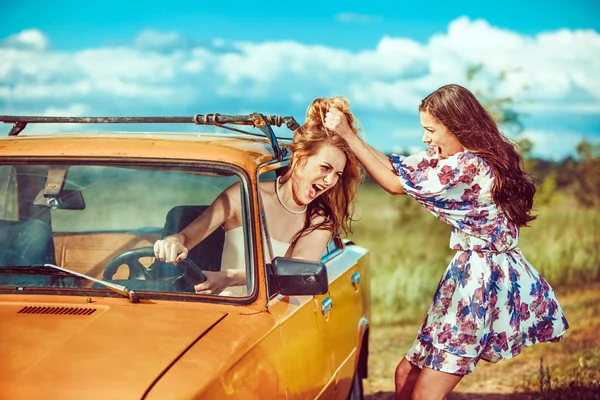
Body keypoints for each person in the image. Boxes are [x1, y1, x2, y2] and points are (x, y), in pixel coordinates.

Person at [324, 84, 569, 399]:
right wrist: (351, 136)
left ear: (456, 127)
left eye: (430, 130)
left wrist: (346, 135)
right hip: (465, 274)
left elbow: (393, 184)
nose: (425, 138)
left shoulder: (469, 166)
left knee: (426, 394)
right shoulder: (455, 157)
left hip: (478, 285)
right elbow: (397, 167)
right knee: (405, 375)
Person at [154, 96, 363, 295]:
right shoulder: (242, 196)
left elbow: (299, 272)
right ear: (299, 158)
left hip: (285, 317)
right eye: (325, 168)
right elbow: (187, 237)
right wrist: (173, 241)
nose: (330, 181)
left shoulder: (319, 219)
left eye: (337, 174)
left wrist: (227, 277)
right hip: (227, 310)